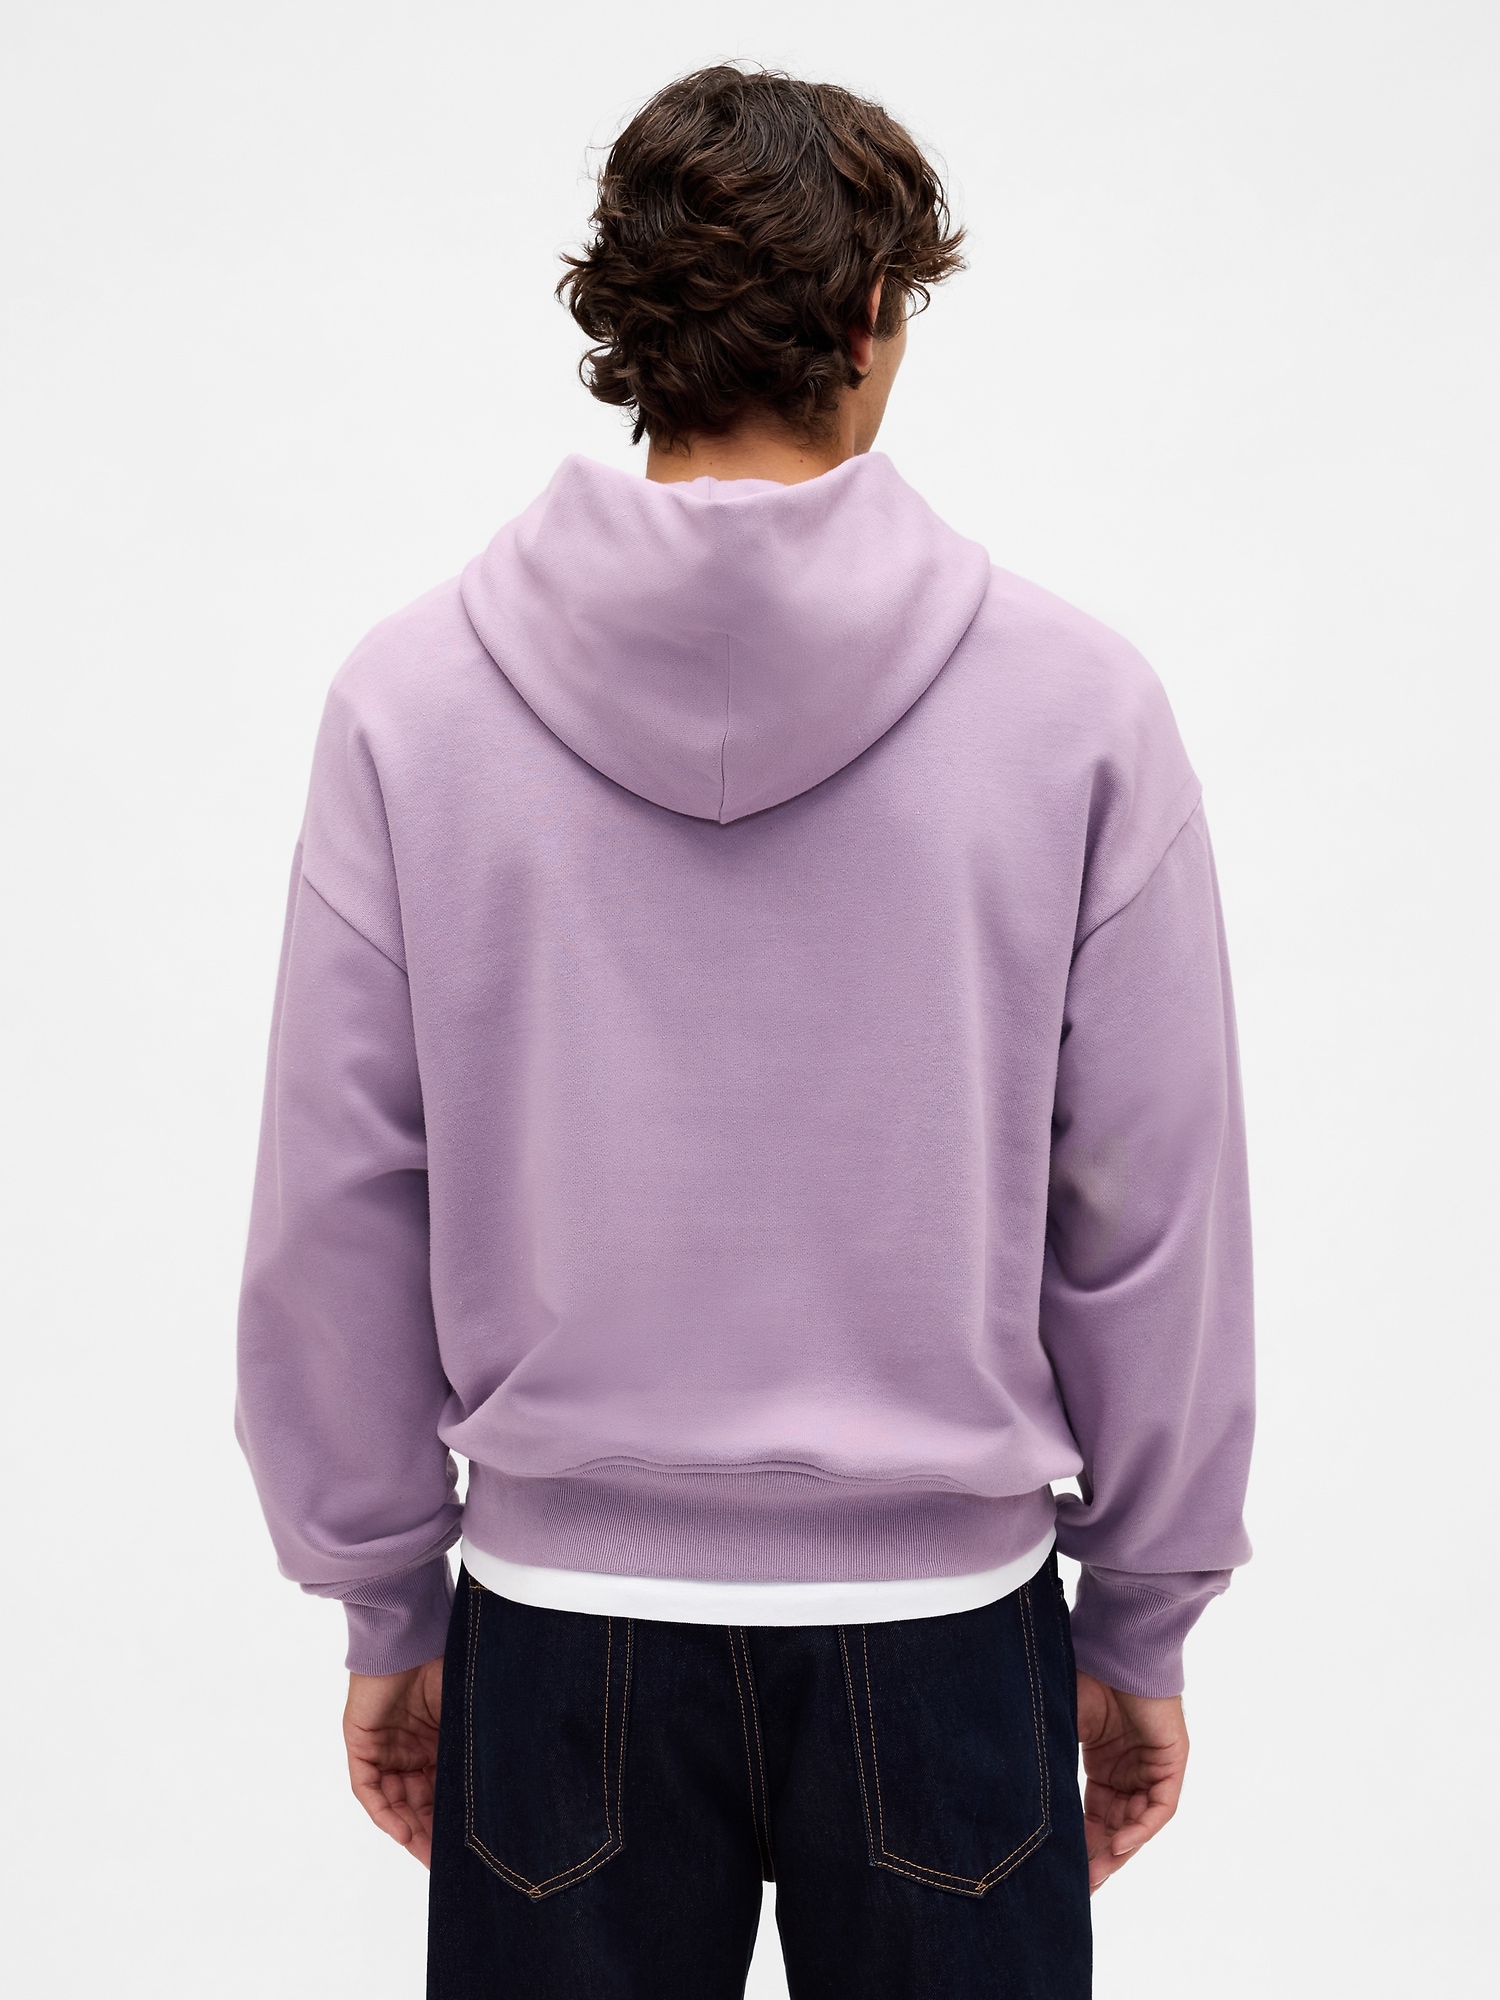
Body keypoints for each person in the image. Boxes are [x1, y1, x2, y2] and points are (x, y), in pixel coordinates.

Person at [236, 63, 1253, 2000]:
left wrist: (382, 1596)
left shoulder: (409, 704)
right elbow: (1149, 1204)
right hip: (948, 1632)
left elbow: (341, 1190)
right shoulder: (1078, 708)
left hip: (559, 1631)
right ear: (873, 319)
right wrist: (1143, 1612)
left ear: (626, 326)